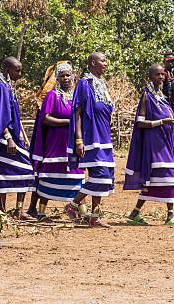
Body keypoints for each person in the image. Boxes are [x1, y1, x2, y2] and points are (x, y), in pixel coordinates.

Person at [124, 64, 174, 226]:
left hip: (164, 142)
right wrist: (163, 121)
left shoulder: (161, 96)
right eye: (158, 75)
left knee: (155, 180)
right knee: (169, 176)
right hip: (154, 144)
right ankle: (171, 215)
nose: (161, 77)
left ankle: (135, 212)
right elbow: (140, 123)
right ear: (150, 76)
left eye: (163, 74)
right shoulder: (146, 96)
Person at [64, 53, 115, 227]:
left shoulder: (102, 84)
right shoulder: (84, 84)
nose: (106, 64)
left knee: (103, 176)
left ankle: (94, 217)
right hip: (90, 136)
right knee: (100, 175)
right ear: (93, 63)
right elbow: (77, 111)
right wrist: (79, 139)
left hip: (104, 135)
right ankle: (72, 205)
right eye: (103, 61)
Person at [28, 63, 83, 221]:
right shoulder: (52, 95)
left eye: (68, 75)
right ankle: (41, 212)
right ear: (57, 78)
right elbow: (45, 119)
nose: (66, 78)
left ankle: (79, 210)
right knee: (50, 173)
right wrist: (68, 122)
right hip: (54, 143)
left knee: (75, 174)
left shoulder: (75, 96)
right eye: (62, 75)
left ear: (73, 76)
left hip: (71, 142)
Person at [0, 56, 36, 220]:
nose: (19, 74)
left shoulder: (8, 86)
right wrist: (8, 138)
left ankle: (18, 210)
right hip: (5, 139)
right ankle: (3, 210)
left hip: (13, 137)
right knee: (22, 170)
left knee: (9, 172)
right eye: (16, 70)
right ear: (7, 70)